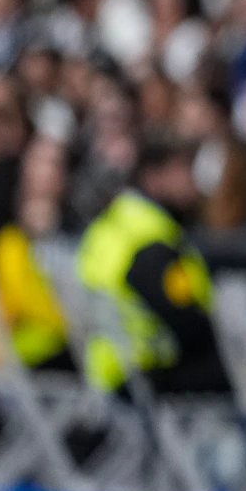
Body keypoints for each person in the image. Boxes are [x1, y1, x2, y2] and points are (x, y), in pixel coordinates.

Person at [74, 142, 223, 394]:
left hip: (111, 371)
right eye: (182, 170)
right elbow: (184, 321)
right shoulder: (149, 233)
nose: (192, 180)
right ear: (154, 177)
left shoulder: (112, 222)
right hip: (143, 372)